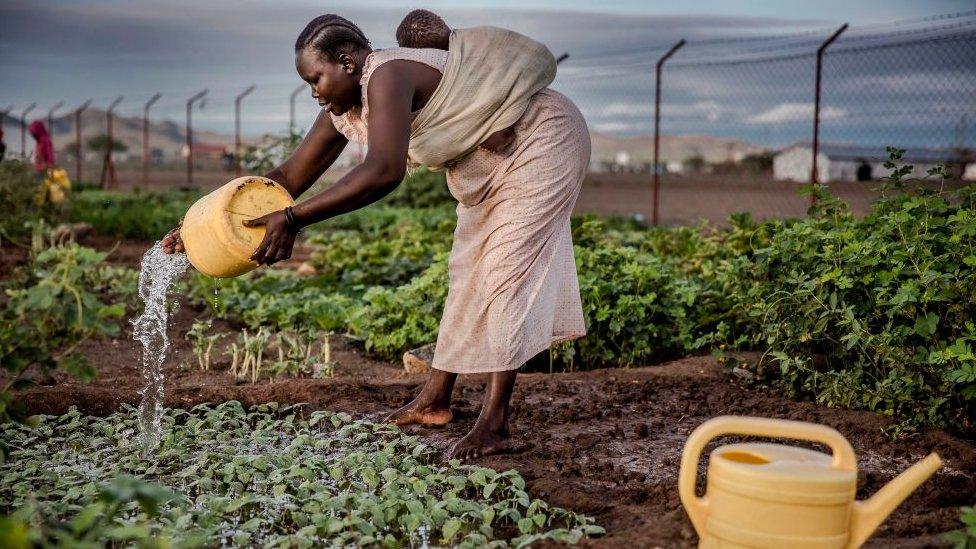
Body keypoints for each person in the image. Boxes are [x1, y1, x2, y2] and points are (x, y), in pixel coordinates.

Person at [162, 13, 590, 460]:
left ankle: (495, 425)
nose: (314, 92)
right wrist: (202, 227)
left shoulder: (387, 75)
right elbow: (288, 176)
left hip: (541, 139)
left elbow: (383, 172)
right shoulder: (345, 109)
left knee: (505, 272)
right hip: (486, 162)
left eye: (316, 78)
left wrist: (293, 220)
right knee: (467, 271)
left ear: (347, 62)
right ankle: (434, 402)